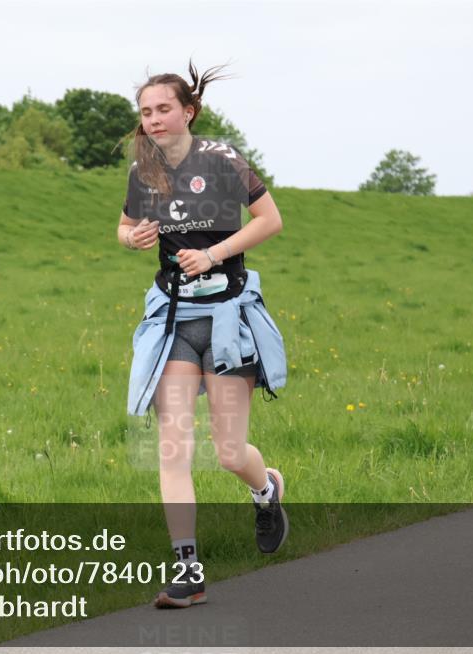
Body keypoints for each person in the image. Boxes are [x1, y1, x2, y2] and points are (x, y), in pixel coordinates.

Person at [117, 60, 289, 609]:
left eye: (163, 108)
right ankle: (188, 571)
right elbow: (122, 225)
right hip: (172, 322)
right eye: (146, 112)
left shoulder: (223, 160)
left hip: (226, 319)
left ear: (188, 110)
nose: (154, 120)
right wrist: (133, 237)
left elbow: (270, 220)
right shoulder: (144, 169)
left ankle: (266, 492)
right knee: (173, 448)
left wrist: (214, 252)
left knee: (231, 452)